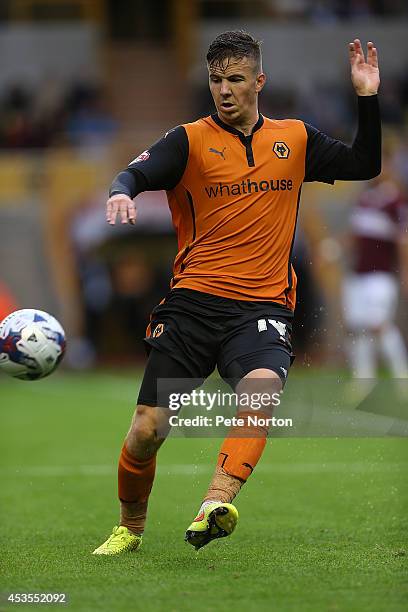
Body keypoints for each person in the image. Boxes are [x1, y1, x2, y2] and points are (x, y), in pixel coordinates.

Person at [93, 31, 381, 555]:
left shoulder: (294, 139)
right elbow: (134, 172)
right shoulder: (188, 140)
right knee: (147, 429)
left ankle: (214, 505)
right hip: (192, 308)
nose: (224, 91)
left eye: (235, 79)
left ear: (259, 81)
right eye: (216, 80)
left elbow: (364, 164)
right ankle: (129, 528)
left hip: (263, 307)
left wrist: (367, 97)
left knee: (262, 389)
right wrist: (120, 193)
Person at [343, 162, 408, 384]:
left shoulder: (395, 199)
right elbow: (354, 236)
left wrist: (405, 272)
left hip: (380, 275)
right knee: (358, 327)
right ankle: (363, 380)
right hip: (358, 274)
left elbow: (403, 239)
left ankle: (402, 377)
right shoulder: (364, 198)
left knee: (379, 324)